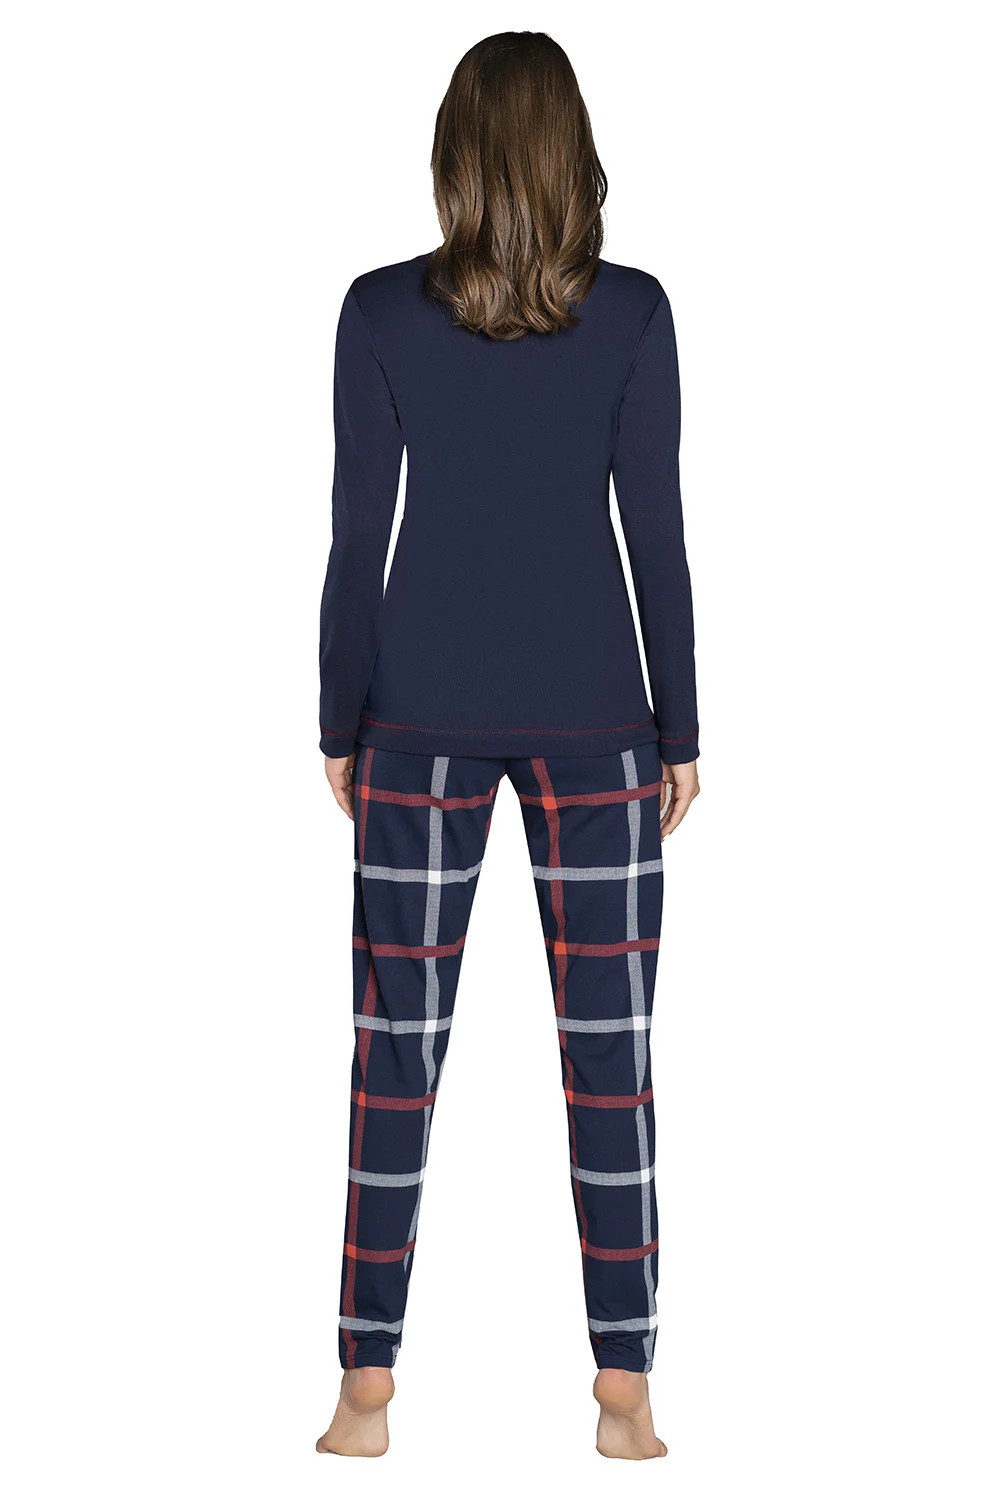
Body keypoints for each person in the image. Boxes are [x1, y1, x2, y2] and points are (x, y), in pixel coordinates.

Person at [315, 30, 700, 1461]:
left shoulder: (379, 313)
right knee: (611, 1057)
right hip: (601, 723)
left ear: (455, 155)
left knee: (394, 1054)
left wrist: (338, 717)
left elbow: (358, 539)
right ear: (571, 153)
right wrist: (681, 727)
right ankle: (626, 1394)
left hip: (415, 716)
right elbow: (654, 531)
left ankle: (364, 1391)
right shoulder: (635, 313)